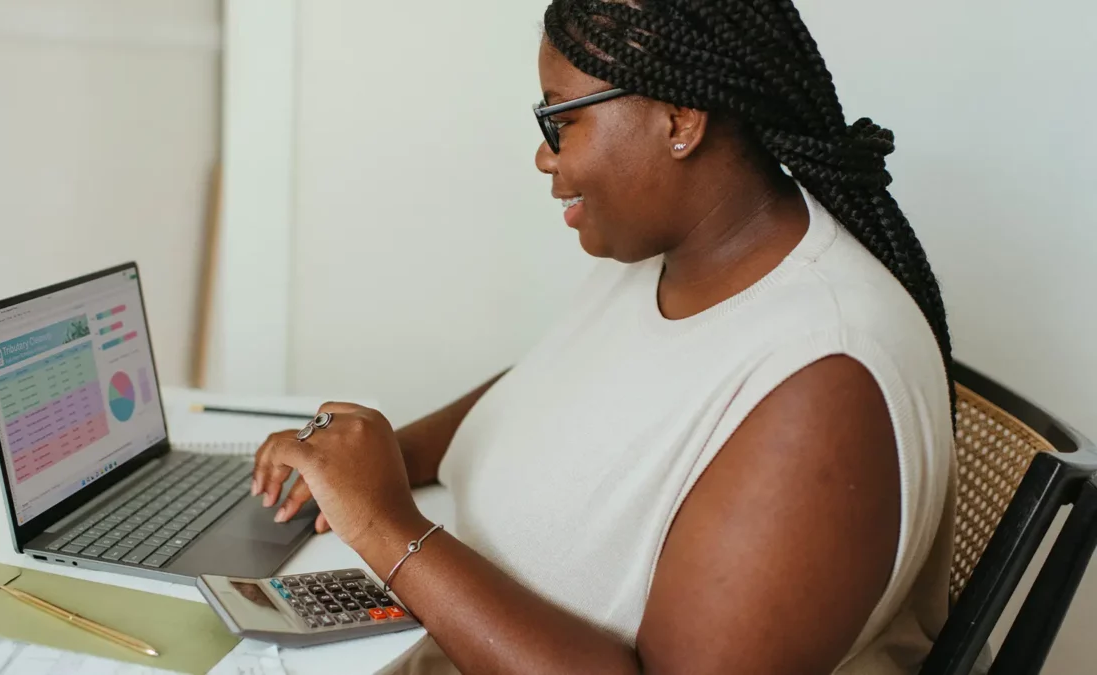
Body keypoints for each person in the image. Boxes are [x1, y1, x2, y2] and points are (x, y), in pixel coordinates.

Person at [251, 1, 957, 672]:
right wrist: (378, 462)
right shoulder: (672, 257)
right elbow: (540, 391)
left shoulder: (825, 385)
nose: (543, 156)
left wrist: (384, 523)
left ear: (680, 120)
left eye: (559, 119)